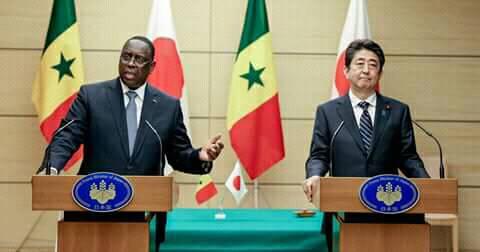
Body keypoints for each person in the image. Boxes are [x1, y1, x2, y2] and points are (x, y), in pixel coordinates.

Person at [42, 35, 224, 251]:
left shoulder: (167, 106)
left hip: (143, 215)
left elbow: (178, 155)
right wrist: (53, 166)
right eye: (126, 56)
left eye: (139, 59)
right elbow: (66, 136)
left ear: (152, 66)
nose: (130, 63)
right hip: (91, 209)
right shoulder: (92, 96)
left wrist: (200, 157)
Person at [302, 39, 429, 251]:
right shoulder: (328, 111)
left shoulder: (398, 111)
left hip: (388, 206)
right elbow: (319, 155)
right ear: (346, 71)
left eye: (373, 64)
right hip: (343, 207)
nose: (366, 70)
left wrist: (427, 184)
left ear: (379, 73)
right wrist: (315, 175)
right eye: (360, 63)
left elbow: (408, 156)